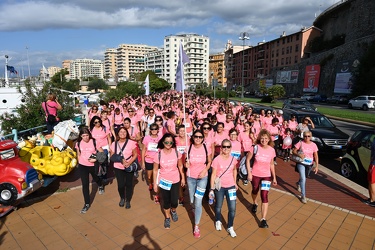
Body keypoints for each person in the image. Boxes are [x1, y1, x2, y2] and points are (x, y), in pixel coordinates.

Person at [153, 133, 185, 229]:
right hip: (163, 181)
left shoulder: (176, 152)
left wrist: (183, 177)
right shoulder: (158, 154)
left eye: (170, 142)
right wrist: (155, 183)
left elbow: (180, 165)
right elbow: (155, 170)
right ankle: (167, 218)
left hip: (175, 180)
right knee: (166, 201)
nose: (168, 143)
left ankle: (173, 210)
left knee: (175, 201)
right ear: (163, 142)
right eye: (166, 142)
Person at [246, 129, 277, 228]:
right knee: (255, 190)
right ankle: (255, 202)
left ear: (269, 140)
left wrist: (274, 177)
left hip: (266, 175)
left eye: (266, 139)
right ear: (260, 139)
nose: (264, 140)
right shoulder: (255, 148)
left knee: (264, 195)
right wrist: (249, 173)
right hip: (255, 174)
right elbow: (247, 160)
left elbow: (271, 164)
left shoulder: (272, 150)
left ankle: (263, 219)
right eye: (262, 138)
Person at [185, 130, 212, 238]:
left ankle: (196, 225)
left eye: (200, 137)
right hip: (191, 177)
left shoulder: (206, 148)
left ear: (202, 138)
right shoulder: (189, 148)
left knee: (198, 201)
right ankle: (193, 209)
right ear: (193, 137)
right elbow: (184, 161)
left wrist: (205, 171)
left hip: (202, 178)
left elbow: (209, 162)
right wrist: (186, 164)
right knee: (192, 200)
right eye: (196, 136)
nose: (198, 138)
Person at [210, 139, 238, 238]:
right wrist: (211, 188)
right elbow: (213, 174)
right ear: (221, 148)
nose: (226, 148)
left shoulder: (233, 159)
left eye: (228, 147)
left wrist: (235, 183)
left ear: (230, 148)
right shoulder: (216, 160)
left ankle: (230, 226)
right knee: (218, 205)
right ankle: (218, 220)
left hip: (231, 186)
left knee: (232, 208)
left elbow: (234, 170)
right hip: (220, 187)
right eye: (224, 147)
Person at [75, 127, 104, 214]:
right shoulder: (78, 143)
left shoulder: (94, 142)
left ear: (89, 135)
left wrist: (96, 160)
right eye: (83, 136)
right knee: (85, 184)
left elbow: (102, 153)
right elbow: (78, 154)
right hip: (82, 166)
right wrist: (79, 162)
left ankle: (100, 185)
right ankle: (87, 203)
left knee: (96, 178)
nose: (86, 137)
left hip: (93, 165)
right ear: (81, 136)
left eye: (87, 135)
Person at [110, 127, 138, 209]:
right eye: (121, 132)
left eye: (124, 132)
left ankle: (128, 200)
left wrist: (129, 162)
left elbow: (135, 154)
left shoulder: (131, 143)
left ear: (127, 133)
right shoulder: (113, 144)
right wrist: (120, 159)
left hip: (129, 166)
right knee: (121, 185)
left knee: (129, 184)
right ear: (117, 133)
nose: (122, 133)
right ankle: (122, 197)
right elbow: (111, 156)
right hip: (118, 167)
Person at [292, 131, 319, 204]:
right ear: (303, 136)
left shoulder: (314, 145)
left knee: (304, 177)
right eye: (305, 136)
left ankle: (298, 183)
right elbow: (293, 151)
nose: (307, 138)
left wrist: (317, 166)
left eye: (308, 136)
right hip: (301, 163)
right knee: (303, 178)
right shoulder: (300, 143)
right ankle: (303, 196)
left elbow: (316, 156)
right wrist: (299, 154)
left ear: (311, 137)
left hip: (309, 164)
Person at [141, 123, 162, 203]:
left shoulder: (160, 138)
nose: (154, 130)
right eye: (152, 129)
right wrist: (142, 162)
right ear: (150, 130)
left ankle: (157, 195)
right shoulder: (146, 138)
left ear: (157, 130)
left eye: (155, 129)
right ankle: (150, 183)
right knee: (149, 177)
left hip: (157, 160)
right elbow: (143, 150)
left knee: (157, 178)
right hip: (148, 160)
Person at [364, 136, 375, 207]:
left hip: (374, 164)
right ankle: (371, 198)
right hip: (372, 163)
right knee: (370, 181)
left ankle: (373, 201)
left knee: (372, 182)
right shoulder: (374, 138)